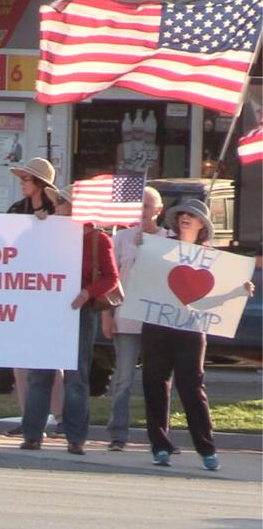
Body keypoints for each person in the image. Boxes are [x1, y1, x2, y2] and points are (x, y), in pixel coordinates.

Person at [143, 199, 254, 470]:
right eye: (182, 214)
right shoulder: (161, 247)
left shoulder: (213, 259)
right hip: (157, 327)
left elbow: (208, 299)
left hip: (191, 330)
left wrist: (238, 291)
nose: (185, 218)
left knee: (192, 388)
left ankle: (206, 449)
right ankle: (160, 446)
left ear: (202, 225)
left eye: (191, 216)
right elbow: (145, 279)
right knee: (154, 384)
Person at [21, 187, 118, 455]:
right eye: (58, 202)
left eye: (62, 202)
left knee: (76, 378)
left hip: (79, 313)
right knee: (40, 375)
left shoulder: (98, 239)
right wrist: (37, 225)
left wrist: (87, 292)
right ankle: (32, 435)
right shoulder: (47, 232)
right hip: (47, 313)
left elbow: (111, 278)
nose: (58, 206)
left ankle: (75, 437)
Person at [104, 186, 167, 451]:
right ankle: (118, 433)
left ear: (158, 211)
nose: (141, 212)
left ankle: (160, 437)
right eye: (138, 207)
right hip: (126, 317)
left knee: (158, 381)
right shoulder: (121, 239)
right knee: (124, 378)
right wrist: (108, 315)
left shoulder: (169, 239)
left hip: (157, 321)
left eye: (146, 207)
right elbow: (111, 277)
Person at [5, 155, 63, 436]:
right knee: (20, 361)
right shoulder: (16, 210)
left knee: (52, 360)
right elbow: (4, 242)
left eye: (26, 179)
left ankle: (60, 416)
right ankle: (28, 417)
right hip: (21, 293)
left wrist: (47, 224)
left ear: (40, 183)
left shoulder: (60, 211)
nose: (22, 184)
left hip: (50, 296)